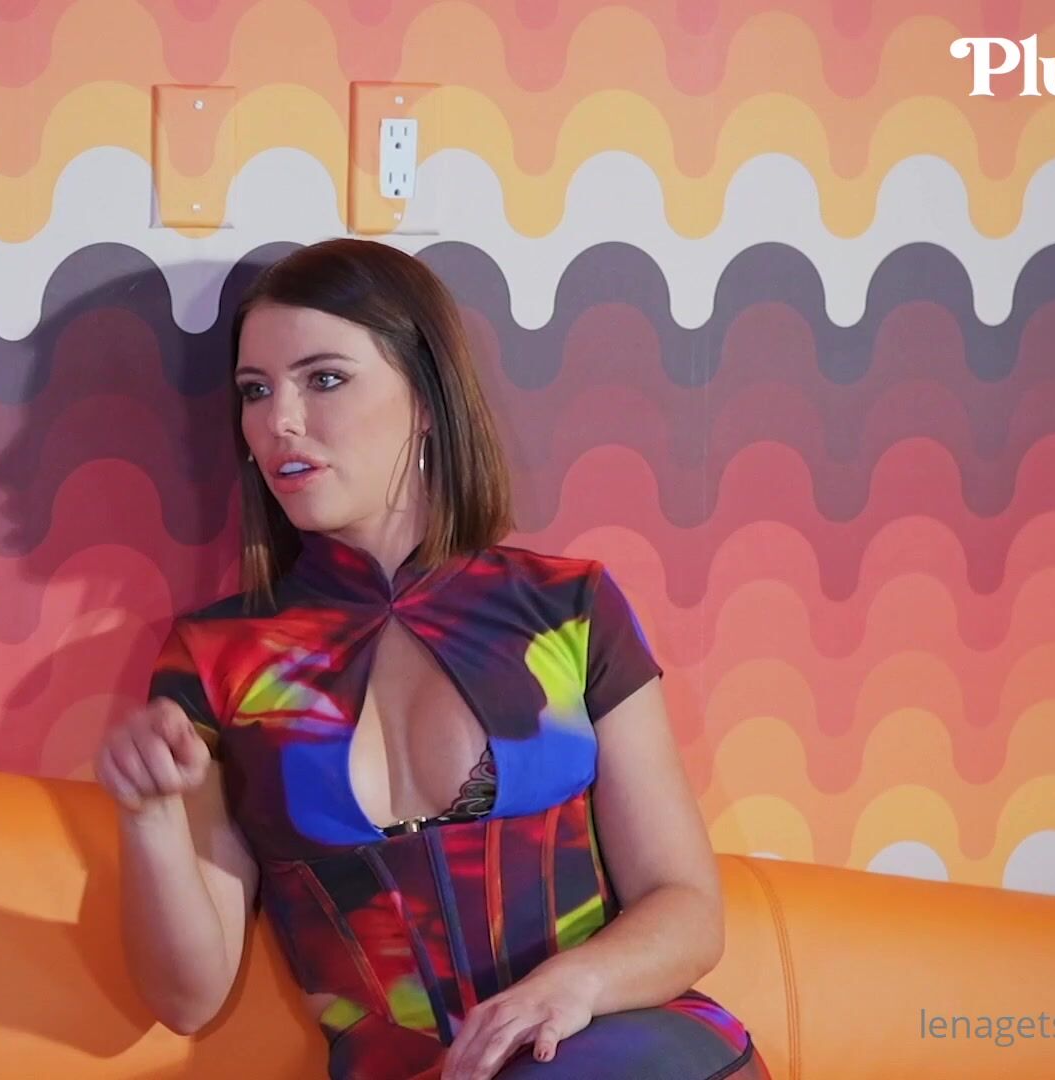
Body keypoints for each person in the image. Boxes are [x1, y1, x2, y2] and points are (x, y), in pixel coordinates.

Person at [97, 239, 769, 1079]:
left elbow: (688, 906)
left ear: (424, 397)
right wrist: (148, 818)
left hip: (617, 1046)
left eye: (324, 379)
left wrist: (571, 986)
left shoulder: (569, 609)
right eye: (255, 390)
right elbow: (187, 1000)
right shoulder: (215, 659)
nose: (279, 422)